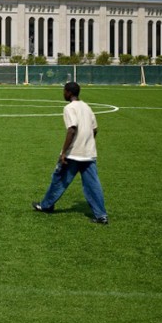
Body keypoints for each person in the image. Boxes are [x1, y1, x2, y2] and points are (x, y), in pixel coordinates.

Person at [33, 81, 109, 224]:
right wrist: (87, 143)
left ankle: (46, 206)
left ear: (68, 92)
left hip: (74, 153)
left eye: (64, 91)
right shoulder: (87, 107)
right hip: (89, 153)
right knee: (93, 185)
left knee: (59, 179)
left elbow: (72, 129)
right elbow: (94, 129)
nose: (63, 93)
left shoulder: (69, 108)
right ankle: (101, 215)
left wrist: (63, 152)